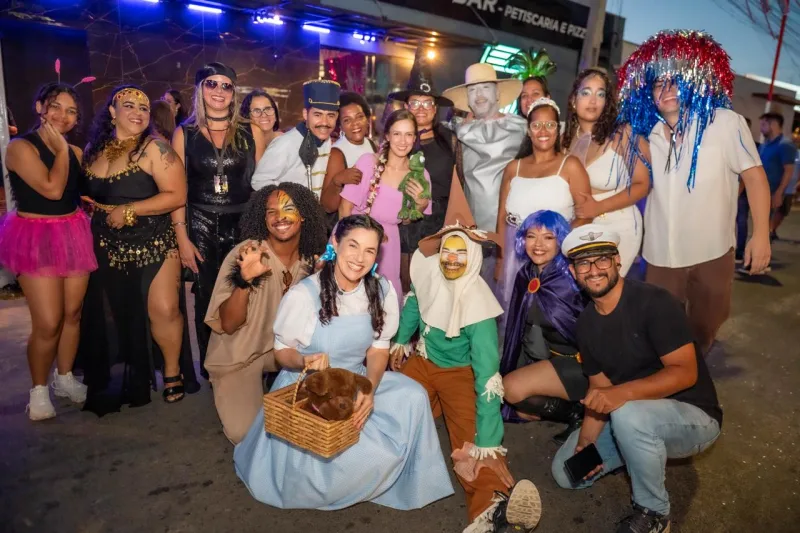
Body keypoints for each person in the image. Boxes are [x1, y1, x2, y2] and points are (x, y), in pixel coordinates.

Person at [234, 214, 454, 512]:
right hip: (311, 386)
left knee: (413, 395)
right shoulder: (304, 295)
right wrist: (303, 360)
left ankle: (413, 479)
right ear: (335, 243)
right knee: (334, 460)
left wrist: (369, 389)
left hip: (355, 378)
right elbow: (281, 352)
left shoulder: (381, 290)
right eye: (353, 246)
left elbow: (379, 348)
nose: (360, 258)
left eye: (370, 250)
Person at [390, 178, 542, 533]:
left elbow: (488, 378)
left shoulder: (478, 306)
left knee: (474, 446)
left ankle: (495, 511)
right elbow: (415, 303)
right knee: (392, 415)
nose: (452, 259)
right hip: (423, 363)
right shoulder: (429, 273)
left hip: (461, 374)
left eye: (461, 253)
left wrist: (489, 438)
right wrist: (400, 341)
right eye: (447, 251)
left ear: (473, 257)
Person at [551, 224, 722, 533]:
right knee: (566, 473)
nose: (593, 270)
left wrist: (622, 395)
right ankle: (637, 451)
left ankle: (655, 513)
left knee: (628, 413)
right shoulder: (587, 322)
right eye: (583, 263)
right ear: (574, 272)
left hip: (692, 416)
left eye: (601, 259)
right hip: (632, 416)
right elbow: (600, 388)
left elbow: (686, 372)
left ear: (618, 260)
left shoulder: (655, 302)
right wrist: (586, 443)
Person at [617, 30, 771, 353]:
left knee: (703, 334)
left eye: (676, 81)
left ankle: (692, 385)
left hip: (712, 253)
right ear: (651, 94)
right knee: (661, 337)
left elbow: (755, 177)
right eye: (659, 84)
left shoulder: (725, 122)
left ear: (693, 82)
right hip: (660, 257)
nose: (667, 89)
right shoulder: (649, 134)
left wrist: (760, 235)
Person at [79, 85, 187, 415]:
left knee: (164, 308)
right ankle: (128, 369)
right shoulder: (93, 149)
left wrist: (129, 211)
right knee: (116, 313)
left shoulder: (156, 148)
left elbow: (176, 195)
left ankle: (171, 371)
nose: (138, 112)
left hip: (154, 238)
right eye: (129, 105)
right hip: (106, 244)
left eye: (143, 107)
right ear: (112, 112)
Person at [0, 83, 96, 420]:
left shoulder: (76, 152)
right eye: (56, 107)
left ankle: (64, 378)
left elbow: (76, 192)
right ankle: (38, 390)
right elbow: (52, 190)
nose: (63, 116)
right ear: (40, 106)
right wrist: (60, 151)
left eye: (72, 111)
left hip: (73, 232)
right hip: (34, 236)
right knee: (48, 321)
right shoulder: (19, 147)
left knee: (72, 314)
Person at [204, 183, 327, 443]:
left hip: (285, 352)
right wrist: (244, 281)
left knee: (315, 421)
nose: (279, 217)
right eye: (271, 212)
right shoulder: (247, 253)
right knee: (247, 435)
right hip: (241, 354)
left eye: (288, 209)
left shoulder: (311, 260)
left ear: (303, 214)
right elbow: (228, 324)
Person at [171, 63, 259, 379]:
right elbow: (176, 189)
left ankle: (242, 362)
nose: (219, 91)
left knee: (244, 292)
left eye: (226, 85)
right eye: (211, 84)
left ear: (234, 93)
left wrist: (259, 232)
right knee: (207, 297)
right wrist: (182, 236)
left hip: (242, 224)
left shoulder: (249, 131)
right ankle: (213, 368)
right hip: (200, 222)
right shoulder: (185, 133)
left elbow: (260, 182)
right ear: (200, 90)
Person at [494, 96, 591, 315]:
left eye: (550, 124)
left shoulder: (570, 165)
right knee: (514, 314)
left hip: (555, 256)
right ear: (528, 130)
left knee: (548, 316)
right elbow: (501, 216)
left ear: (559, 129)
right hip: (515, 255)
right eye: (536, 125)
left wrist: (558, 248)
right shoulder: (513, 168)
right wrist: (501, 258)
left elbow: (586, 214)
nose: (543, 130)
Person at [500, 210, 588, 444]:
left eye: (548, 237)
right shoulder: (526, 274)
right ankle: (571, 408)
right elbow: (519, 330)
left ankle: (579, 414)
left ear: (561, 241)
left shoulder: (571, 278)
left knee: (512, 389)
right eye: (531, 236)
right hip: (543, 359)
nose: (538, 245)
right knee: (506, 392)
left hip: (579, 363)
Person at [441, 63, 526, 287]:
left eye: (485, 87)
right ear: (467, 99)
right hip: (470, 236)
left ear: (498, 93)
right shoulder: (455, 130)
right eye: (472, 89)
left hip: (511, 234)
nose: (478, 95)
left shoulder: (520, 128)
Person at [339, 109, 432, 307]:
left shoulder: (419, 175)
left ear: (415, 138)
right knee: (349, 297)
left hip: (388, 245)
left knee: (385, 301)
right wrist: (339, 243)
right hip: (356, 237)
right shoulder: (368, 162)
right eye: (397, 133)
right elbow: (345, 207)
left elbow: (406, 220)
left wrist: (420, 205)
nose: (403, 141)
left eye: (408, 134)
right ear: (388, 135)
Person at [563, 68, 650, 276]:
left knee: (607, 290)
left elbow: (642, 184)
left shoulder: (622, 134)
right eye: (586, 93)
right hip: (578, 225)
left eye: (600, 94)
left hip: (619, 225)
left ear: (606, 103)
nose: (593, 100)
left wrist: (598, 207)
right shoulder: (564, 138)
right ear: (574, 100)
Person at [388, 46, 458, 293]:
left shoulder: (451, 140)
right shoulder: (397, 140)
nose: (421, 108)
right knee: (402, 286)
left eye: (427, 103)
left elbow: (460, 186)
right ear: (405, 105)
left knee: (434, 289)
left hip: (439, 225)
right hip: (402, 223)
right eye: (414, 102)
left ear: (435, 108)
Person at [251, 80, 341, 197]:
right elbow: (258, 181)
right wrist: (289, 202)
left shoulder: (327, 141)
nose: (324, 122)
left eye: (331, 115)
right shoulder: (285, 143)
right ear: (305, 114)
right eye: (317, 115)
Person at [319, 91, 376, 215]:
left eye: (359, 117)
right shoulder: (337, 153)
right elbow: (327, 207)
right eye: (347, 120)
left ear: (367, 118)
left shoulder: (372, 145)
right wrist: (337, 181)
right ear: (341, 127)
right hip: (348, 223)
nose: (355, 124)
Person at [758, 112, 798, 240]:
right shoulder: (765, 144)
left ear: (773, 125)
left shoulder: (785, 145)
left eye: (763, 124)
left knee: (765, 226)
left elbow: (789, 171)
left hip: (772, 191)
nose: (761, 128)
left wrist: (779, 193)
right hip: (761, 190)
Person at [240, 89, 282, 162]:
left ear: (275, 115)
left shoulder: (287, 142)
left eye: (268, 109)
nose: (263, 115)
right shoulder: (241, 147)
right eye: (256, 111)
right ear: (246, 117)